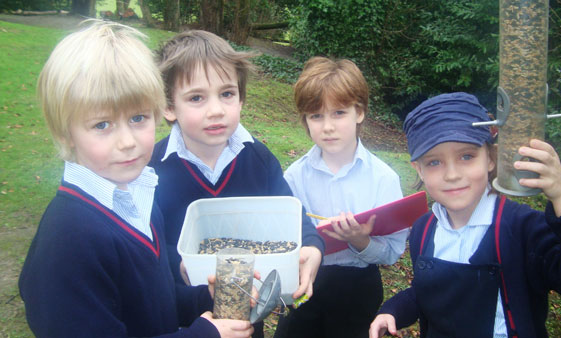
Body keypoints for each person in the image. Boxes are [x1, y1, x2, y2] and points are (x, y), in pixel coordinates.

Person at [19, 21, 254, 338]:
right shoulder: (69, 239)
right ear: (66, 132)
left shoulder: (139, 198)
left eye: (138, 118)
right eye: (102, 125)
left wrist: (202, 298)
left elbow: (152, 301)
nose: (127, 141)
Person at [369, 92, 561, 338]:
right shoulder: (424, 229)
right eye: (434, 162)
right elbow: (428, 290)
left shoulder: (523, 228)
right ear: (419, 169)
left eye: (466, 156)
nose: (452, 174)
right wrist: (393, 311)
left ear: (490, 158)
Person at [149, 30, 325, 337]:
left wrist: (312, 246)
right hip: (182, 321)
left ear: (241, 98)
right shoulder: (150, 170)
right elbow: (147, 248)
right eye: (196, 97)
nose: (216, 109)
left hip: (247, 317)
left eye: (227, 94)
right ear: (168, 106)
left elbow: (291, 214)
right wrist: (180, 265)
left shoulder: (257, 158)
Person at [273, 57, 408, 338]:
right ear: (305, 120)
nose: (327, 127)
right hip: (307, 284)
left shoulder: (383, 179)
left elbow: (392, 253)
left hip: (357, 289)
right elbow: (282, 238)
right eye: (316, 116)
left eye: (338, 113)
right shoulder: (294, 177)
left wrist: (359, 239)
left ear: (359, 112)